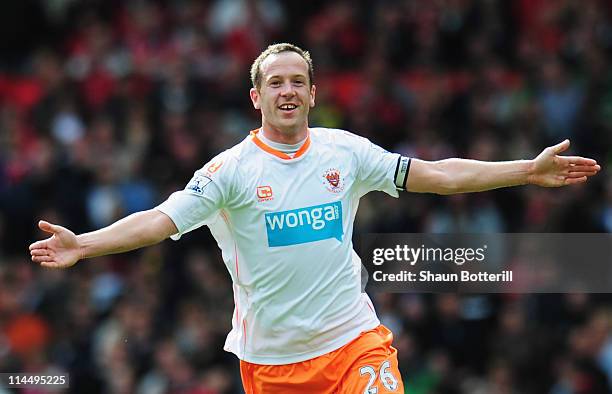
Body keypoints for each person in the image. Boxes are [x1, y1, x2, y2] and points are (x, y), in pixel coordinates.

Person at [29, 43, 600, 393]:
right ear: (256, 97)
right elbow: (158, 220)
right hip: (273, 363)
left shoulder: (344, 152)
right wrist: (86, 245)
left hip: (354, 340)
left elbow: (437, 174)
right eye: (274, 82)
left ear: (312, 93)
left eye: (297, 81)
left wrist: (526, 169)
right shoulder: (229, 172)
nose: (287, 90)